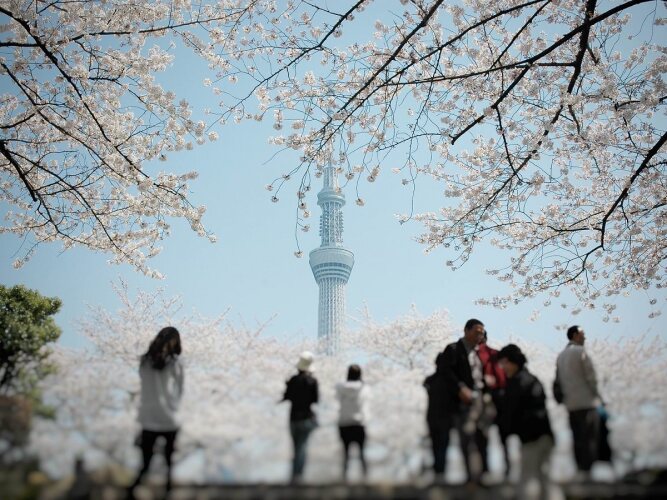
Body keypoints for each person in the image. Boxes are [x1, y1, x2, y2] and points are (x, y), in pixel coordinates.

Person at [127, 326, 184, 498]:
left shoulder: (144, 360)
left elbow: (144, 383)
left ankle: (130, 493)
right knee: (168, 463)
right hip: (167, 417)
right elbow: (180, 388)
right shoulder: (174, 362)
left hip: (148, 416)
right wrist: (172, 405)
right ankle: (167, 494)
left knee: (146, 463)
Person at [498, 344, 554, 500]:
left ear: (513, 362)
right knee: (546, 480)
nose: (502, 367)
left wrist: (505, 431)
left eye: (504, 363)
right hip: (546, 434)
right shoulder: (532, 379)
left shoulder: (516, 382)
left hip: (531, 437)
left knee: (527, 482)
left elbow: (511, 412)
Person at [440, 318, 487, 482]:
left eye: (481, 333)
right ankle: (472, 477)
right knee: (467, 438)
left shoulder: (478, 352)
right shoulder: (453, 349)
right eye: (476, 332)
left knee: (482, 438)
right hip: (463, 402)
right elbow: (446, 372)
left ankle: (482, 475)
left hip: (481, 400)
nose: (479, 336)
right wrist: (460, 388)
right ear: (466, 331)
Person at [555, 325, 602, 476]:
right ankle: (588, 470)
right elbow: (591, 377)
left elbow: (558, 380)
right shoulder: (581, 352)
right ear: (575, 335)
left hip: (570, 404)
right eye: (582, 334)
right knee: (589, 437)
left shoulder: (561, 356)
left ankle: (580, 469)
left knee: (577, 437)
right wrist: (598, 396)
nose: (585, 337)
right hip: (586, 401)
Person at [282, 351, 319, 483]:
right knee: (302, 446)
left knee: (295, 446)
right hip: (306, 417)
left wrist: (288, 385)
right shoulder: (313, 381)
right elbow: (315, 400)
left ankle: (294, 474)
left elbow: (286, 397)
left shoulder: (292, 380)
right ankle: (298, 475)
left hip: (293, 417)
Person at [477, 331, 507, 476]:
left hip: (482, 398)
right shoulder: (496, 353)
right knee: (504, 434)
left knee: (482, 435)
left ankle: (485, 469)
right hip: (500, 396)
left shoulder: (474, 354)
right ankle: (507, 467)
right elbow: (503, 377)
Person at [335, 364, 370, 480]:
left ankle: (344, 477)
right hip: (359, 422)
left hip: (344, 422)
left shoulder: (340, 387)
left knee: (345, 453)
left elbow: (337, 398)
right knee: (362, 452)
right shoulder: (364, 388)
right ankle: (365, 477)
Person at [423, 352, 450, 480]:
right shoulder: (449, 381)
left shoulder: (430, 380)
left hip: (432, 416)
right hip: (444, 417)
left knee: (435, 445)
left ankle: (437, 470)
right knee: (443, 445)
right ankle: (441, 470)